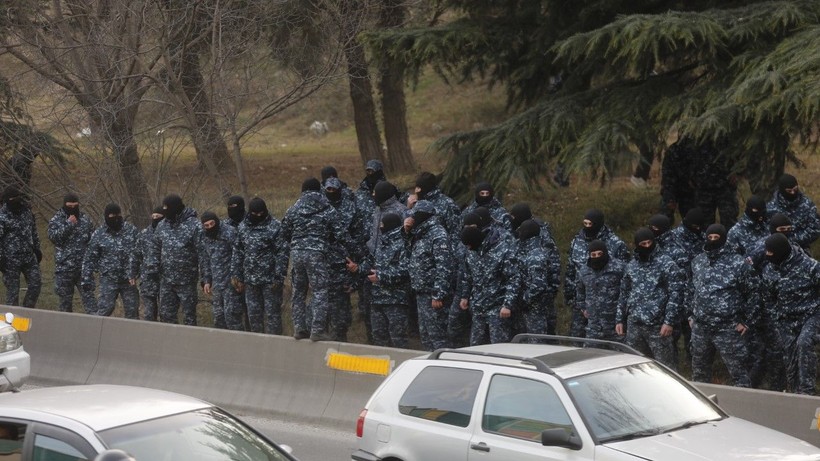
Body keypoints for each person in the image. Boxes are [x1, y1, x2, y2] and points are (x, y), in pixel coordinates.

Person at [281, 179, 357, 341]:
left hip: (297, 253)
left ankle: (299, 328)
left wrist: (297, 242)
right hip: (317, 254)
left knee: (299, 292)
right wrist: (358, 251)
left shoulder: (293, 209)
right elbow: (341, 234)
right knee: (320, 291)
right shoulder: (327, 209)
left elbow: (284, 232)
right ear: (319, 190)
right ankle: (317, 330)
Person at [689, 224, 758, 387]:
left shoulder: (738, 263)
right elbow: (690, 288)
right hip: (701, 327)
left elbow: (754, 293)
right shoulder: (698, 262)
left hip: (728, 328)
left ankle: (743, 408)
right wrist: (690, 315)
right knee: (699, 373)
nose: (712, 241)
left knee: (739, 374)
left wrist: (746, 321)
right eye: (710, 237)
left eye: (716, 238)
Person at [616, 228, 685, 368]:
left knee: (666, 367)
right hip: (634, 323)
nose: (647, 246)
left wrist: (669, 321)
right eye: (643, 244)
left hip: (657, 325)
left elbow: (676, 293)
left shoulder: (666, 264)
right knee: (635, 366)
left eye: (649, 243)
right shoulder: (631, 266)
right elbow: (624, 293)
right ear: (637, 245)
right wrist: (619, 319)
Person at [762, 233, 820, 395]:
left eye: (771, 253)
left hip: (811, 315)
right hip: (786, 320)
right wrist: (777, 317)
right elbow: (768, 298)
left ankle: (807, 392)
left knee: (804, 344)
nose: (768, 256)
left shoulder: (810, 266)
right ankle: (795, 394)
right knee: (790, 356)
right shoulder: (769, 270)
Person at [564, 209, 629, 337]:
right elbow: (571, 268)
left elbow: (624, 275)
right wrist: (570, 296)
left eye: (591, 224)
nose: (587, 227)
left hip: (608, 303)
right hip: (583, 298)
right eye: (585, 223)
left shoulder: (615, 243)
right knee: (577, 336)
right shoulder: (577, 241)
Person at [350, 213, 411, 348]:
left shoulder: (403, 244)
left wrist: (381, 276)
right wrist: (357, 268)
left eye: (382, 225)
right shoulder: (382, 243)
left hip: (395, 300)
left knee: (398, 339)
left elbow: (406, 270)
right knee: (378, 337)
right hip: (377, 299)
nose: (380, 228)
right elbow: (370, 261)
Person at [231, 197, 289, 334]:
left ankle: (275, 346)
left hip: (270, 281)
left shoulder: (275, 226)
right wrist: (236, 274)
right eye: (254, 214)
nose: (258, 216)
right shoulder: (243, 227)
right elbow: (238, 251)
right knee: (253, 316)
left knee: (273, 316)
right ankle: (257, 347)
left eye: (260, 214)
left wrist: (279, 276)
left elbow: (282, 253)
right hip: (250, 281)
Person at [147, 194, 204, 325]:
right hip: (166, 280)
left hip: (187, 281)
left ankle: (189, 343)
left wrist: (205, 277)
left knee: (189, 317)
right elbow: (155, 248)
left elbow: (202, 253)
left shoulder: (194, 225)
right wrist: (152, 268)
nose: (165, 212)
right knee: (166, 315)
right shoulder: (162, 225)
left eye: (168, 208)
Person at [459, 224, 519, 345]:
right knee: (475, 346)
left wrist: (508, 304)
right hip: (478, 306)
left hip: (497, 307)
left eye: (469, 244)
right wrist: (464, 296)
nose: (468, 247)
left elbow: (513, 278)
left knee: (499, 347)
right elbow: (467, 276)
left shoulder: (502, 250)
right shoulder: (471, 253)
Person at [405, 200, 453, 350]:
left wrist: (438, 294)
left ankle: (444, 368)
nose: (412, 219)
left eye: (415, 216)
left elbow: (444, 266)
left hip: (432, 294)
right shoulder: (420, 234)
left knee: (437, 337)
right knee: (425, 335)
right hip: (421, 292)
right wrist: (406, 233)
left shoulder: (438, 235)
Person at [325, 177, 367, 341]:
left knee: (341, 305)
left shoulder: (350, 208)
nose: (331, 193)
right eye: (328, 190)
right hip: (322, 263)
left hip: (344, 263)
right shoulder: (320, 208)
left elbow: (358, 236)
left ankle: (340, 337)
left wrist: (357, 260)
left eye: (334, 190)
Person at [82, 203, 140, 318]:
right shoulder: (99, 234)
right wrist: (86, 278)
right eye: (112, 215)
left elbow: (140, 253)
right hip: (108, 279)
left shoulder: (131, 230)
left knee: (132, 311)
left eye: (118, 215)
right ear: (106, 216)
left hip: (128, 279)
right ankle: (96, 333)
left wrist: (138, 272)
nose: (116, 218)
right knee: (105, 309)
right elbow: (89, 258)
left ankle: (132, 335)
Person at [47, 192, 96, 313]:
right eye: (70, 206)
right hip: (65, 269)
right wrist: (69, 224)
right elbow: (54, 238)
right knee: (65, 305)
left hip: (83, 269)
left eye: (75, 206)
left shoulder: (85, 219)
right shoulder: (56, 220)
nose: (73, 209)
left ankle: (95, 328)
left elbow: (93, 240)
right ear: (64, 205)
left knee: (90, 302)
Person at [200, 212, 243, 331]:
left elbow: (239, 255)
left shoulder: (230, 232)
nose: (210, 227)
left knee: (232, 318)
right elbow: (205, 259)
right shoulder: (205, 236)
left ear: (216, 221)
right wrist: (207, 280)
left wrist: (238, 277)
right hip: (217, 284)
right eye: (206, 225)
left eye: (212, 224)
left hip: (231, 283)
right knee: (218, 319)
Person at [0, 186, 42, 307]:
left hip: (28, 256)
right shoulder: (2, 216)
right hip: (10, 260)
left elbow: (33, 231)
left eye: (16, 198)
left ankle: (27, 310)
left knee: (36, 284)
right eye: (12, 199)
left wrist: (37, 249)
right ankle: (11, 320)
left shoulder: (26, 212)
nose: (15, 201)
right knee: (13, 292)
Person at [576, 240, 625, 341]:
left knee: (620, 355)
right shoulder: (584, 270)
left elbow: (627, 291)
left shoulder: (619, 268)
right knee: (592, 355)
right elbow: (580, 289)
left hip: (615, 325)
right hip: (594, 326)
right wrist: (583, 307)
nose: (597, 257)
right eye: (593, 255)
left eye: (599, 254)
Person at [514, 220, 556, 336]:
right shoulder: (526, 252)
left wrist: (523, 299)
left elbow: (538, 285)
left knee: (537, 344)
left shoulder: (535, 256)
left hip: (535, 310)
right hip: (527, 310)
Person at [691, 139, 739, 228]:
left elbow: (739, 150)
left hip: (726, 185)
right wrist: (692, 176)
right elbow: (690, 156)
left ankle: (730, 242)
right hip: (703, 187)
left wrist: (737, 171)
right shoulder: (698, 135)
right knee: (704, 223)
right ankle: (706, 242)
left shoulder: (727, 133)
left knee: (729, 222)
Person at [128, 207, 164, 321]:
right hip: (147, 277)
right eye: (153, 217)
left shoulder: (168, 234)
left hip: (165, 277)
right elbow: (136, 255)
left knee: (166, 312)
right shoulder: (144, 234)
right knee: (149, 312)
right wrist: (132, 273)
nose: (155, 219)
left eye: (158, 217)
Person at [767, 173, 820, 249]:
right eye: (789, 191)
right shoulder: (771, 208)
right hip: (776, 247)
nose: (793, 193)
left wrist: (792, 240)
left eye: (795, 189)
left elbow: (814, 229)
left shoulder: (807, 205)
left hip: (800, 248)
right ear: (782, 190)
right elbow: (765, 230)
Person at [660, 138, 697, 222]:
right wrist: (670, 198)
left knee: (692, 219)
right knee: (665, 217)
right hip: (673, 187)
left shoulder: (698, 149)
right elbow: (667, 178)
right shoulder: (673, 150)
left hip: (691, 191)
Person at [414, 172, 461, 237]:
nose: (416, 191)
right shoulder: (418, 203)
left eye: (418, 188)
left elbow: (455, 231)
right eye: (416, 187)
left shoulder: (447, 204)